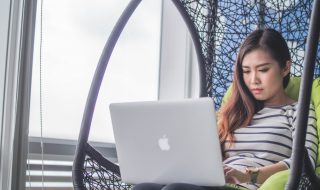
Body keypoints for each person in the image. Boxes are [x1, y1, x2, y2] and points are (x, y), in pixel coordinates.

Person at [132, 28, 318, 190]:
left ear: (285, 68)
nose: (253, 80)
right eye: (246, 71)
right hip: (213, 183)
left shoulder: (298, 111)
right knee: (143, 188)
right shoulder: (236, 111)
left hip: (248, 185)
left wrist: (249, 175)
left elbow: (305, 162)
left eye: (263, 70)